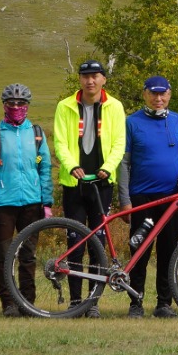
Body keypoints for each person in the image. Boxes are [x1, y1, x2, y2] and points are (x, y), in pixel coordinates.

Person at [51, 59, 126, 318]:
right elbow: (60, 142)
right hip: (74, 183)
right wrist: (71, 166)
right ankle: (75, 301)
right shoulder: (65, 106)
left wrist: (108, 166)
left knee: (98, 244)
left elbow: (119, 143)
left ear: (104, 79)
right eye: (85, 76)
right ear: (80, 80)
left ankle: (93, 302)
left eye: (95, 76)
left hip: (102, 183)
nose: (90, 81)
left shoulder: (115, 106)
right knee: (75, 242)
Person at [0, 83, 53, 317]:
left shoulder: (37, 133)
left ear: (27, 106)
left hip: (32, 202)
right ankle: (8, 303)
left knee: (28, 255)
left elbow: (45, 168)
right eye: (12, 103)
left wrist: (47, 202)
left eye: (21, 103)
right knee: (4, 256)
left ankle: (28, 303)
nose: (16, 107)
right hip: (3, 204)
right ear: (4, 105)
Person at [118, 75, 178, 319]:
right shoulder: (131, 122)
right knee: (140, 250)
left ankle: (164, 304)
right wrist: (125, 199)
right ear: (145, 94)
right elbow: (124, 163)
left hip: (172, 198)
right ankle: (135, 302)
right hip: (142, 197)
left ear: (169, 94)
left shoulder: (177, 120)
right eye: (153, 93)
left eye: (163, 93)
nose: (158, 98)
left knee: (169, 251)